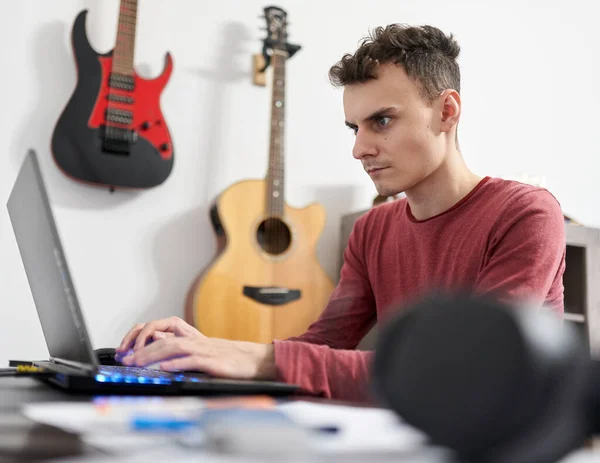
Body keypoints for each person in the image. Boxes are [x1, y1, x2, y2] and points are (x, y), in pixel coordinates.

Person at [116, 24, 566, 403]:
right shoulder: (372, 231)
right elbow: (320, 347)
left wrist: (249, 359)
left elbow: (466, 372)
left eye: (382, 121)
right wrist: (205, 351)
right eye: (355, 127)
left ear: (447, 111)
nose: (359, 149)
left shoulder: (526, 214)